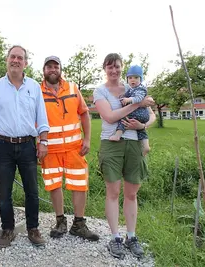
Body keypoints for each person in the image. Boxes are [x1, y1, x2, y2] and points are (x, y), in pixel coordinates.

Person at [0, 45, 50, 248]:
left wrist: (43, 142)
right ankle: (8, 229)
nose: (16, 60)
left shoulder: (34, 87)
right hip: (4, 146)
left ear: (25, 63)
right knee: (4, 193)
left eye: (20, 57)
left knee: (32, 191)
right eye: (13, 56)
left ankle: (33, 229)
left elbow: (42, 118)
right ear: (7, 60)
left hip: (28, 145)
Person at [93, 53, 156, 259]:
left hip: (134, 143)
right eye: (110, 67)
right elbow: (110, 117)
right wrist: (138, 104)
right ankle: (115, 238)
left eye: (117, 67)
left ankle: (131, 236)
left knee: (131, 193)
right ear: (105, 69)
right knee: (113, 191)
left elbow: (152, 113)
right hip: (111, 143)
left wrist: (143, 125)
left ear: (123, 68)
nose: (114, 71)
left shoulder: (133, 87)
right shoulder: (100, 91)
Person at [39, 56, 99, 241]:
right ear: (44, 70)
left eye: (55, 66)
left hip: (75, 148)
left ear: (60, 69)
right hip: (50, 150)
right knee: (54, 185)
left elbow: (84, 114)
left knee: (79, 184)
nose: (52, 69)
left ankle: (79, 224)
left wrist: (87, 139)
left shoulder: (73, 88)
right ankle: (60, 221)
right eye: (49, 67)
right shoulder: (36, 91)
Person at [109, 65, 150, 155]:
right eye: (130, 78)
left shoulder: (140, 89)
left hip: (140, 112)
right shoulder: (132, 89)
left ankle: (118, 135)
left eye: (136, 77)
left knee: (124, 118)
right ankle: (146, 147)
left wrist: (129, 100)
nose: (133, 80)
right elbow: (126, 94)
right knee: (141, 131)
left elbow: (139, 98)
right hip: (142, 115)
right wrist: (123, 97)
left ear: (141, 79)